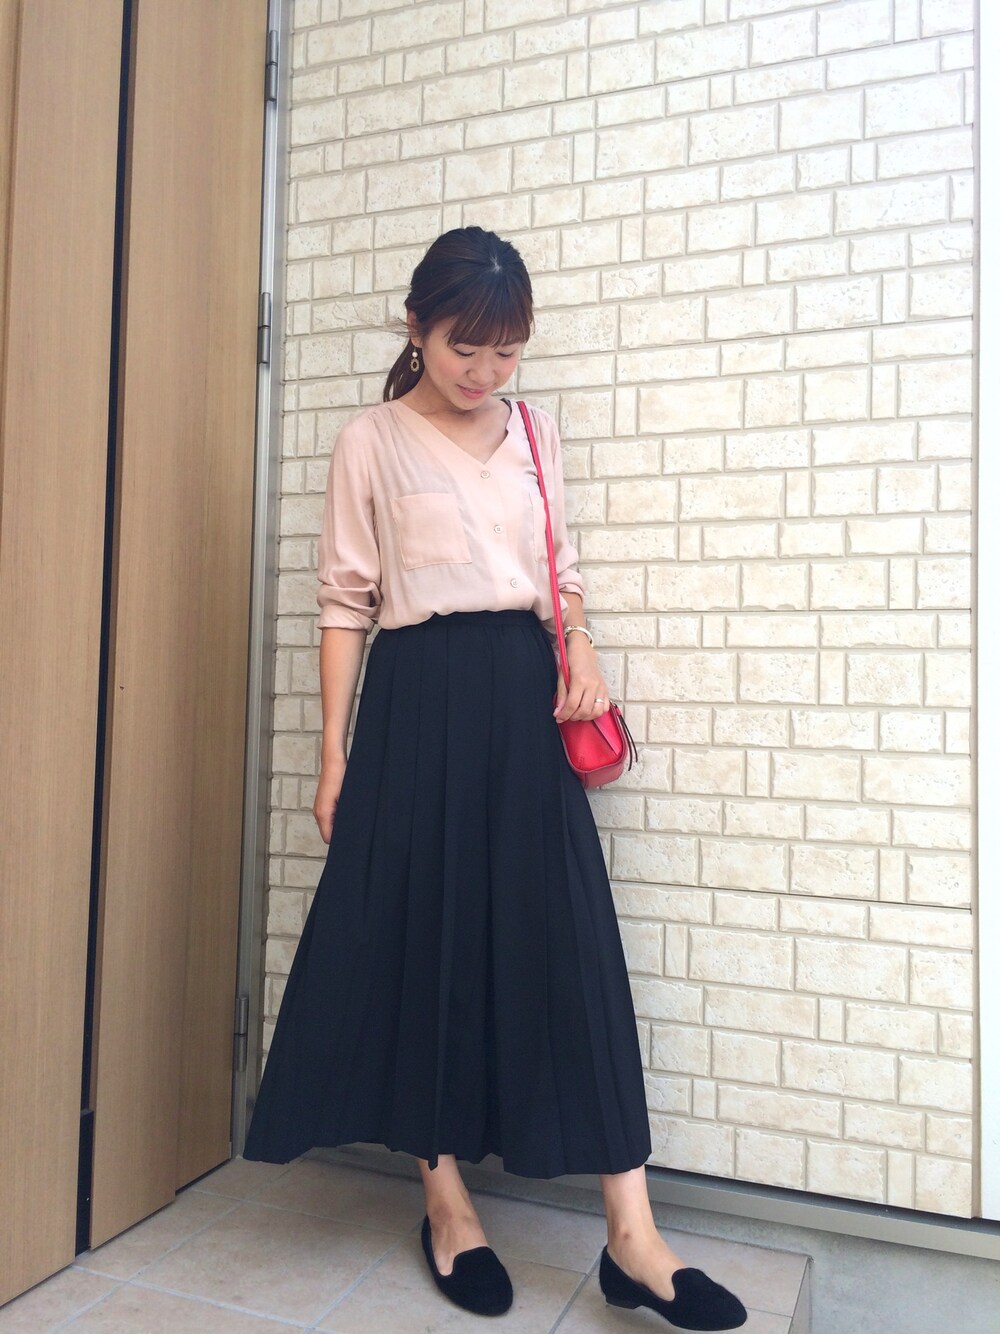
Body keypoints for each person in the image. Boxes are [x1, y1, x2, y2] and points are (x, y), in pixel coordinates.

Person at [244, 226, 746, 1330]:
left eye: (506, 350)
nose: (484, 371)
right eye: (464, 347)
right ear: (415, 328)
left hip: (523, 694)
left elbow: (558, 571)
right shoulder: (370, 440)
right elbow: (345, 604)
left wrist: (583, 644)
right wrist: (332, 753)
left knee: (567, 937)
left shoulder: (535, 431)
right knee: (424, 934)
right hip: (416, 698)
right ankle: (446, 1203)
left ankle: (633, 1236)